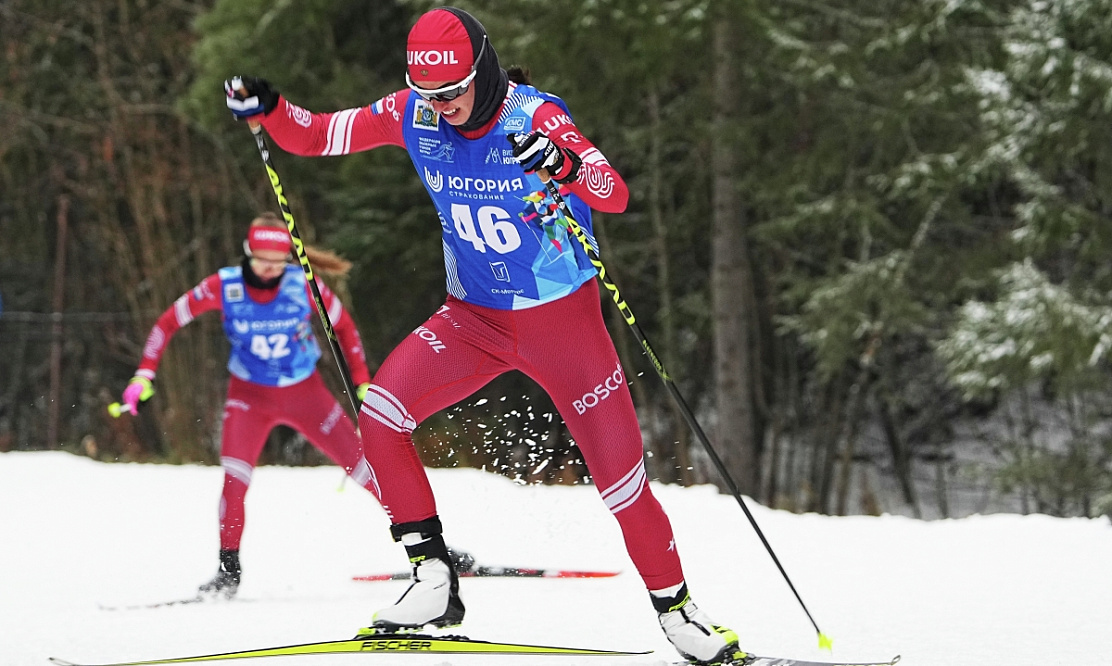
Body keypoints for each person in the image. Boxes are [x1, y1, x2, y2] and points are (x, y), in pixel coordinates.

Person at [224, 7, 743, 664]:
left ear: (484, 71)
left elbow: (612, 193)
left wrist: (563, 164)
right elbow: (315, 137)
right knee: (380, 414)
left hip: (565, 330)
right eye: (429, 94)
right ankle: (432, 579)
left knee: (622, 484)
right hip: (474, 321)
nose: (439, 107)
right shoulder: (412, 112)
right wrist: (270, 107)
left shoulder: (536, 115)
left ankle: (678, 614)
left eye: (452, 92)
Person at [116, 213, 379, 600]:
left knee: (365, 468)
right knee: (234, 481)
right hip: (249, 396)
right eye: (261, 260)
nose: (270, 270)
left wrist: (361, 382)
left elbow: (346, 328)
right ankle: (228, 572)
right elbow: (166, 323)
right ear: (247, 253)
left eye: (278, 261)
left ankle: (427, 546)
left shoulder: (304, 284)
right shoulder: (223, 286)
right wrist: (143, 374)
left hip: (305, 392)